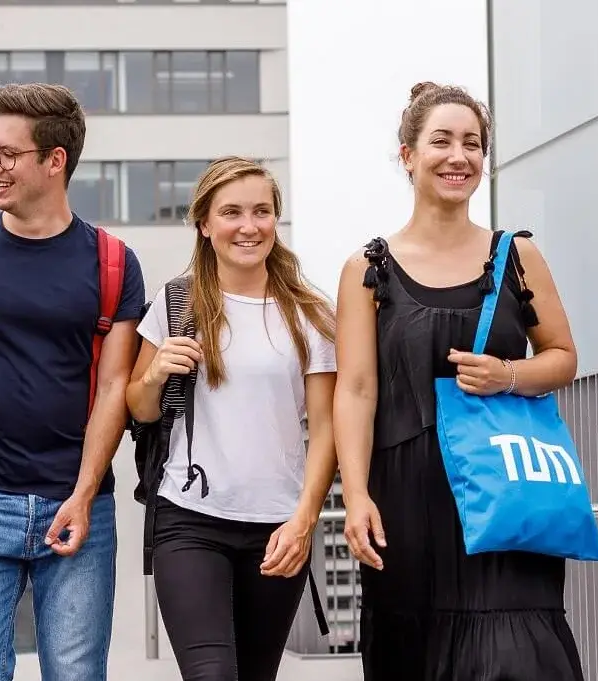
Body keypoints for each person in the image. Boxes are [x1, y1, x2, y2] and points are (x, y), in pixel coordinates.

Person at [331, 81, 586, 680]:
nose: (459, 157)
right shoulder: (367, 269)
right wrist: (358, 495)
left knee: (518, 657)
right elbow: (356, 390)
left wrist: (510, 374)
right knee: (411, 652)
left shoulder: (517, 254)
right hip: (406, 498)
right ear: (408, 155)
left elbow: (563, 356)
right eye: (441, 141)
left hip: (503, 496)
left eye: (473, 144)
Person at [0, 82, 146, 681]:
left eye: (7, 154)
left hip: (78, 505)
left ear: (54, 160)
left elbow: (115, 387)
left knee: (75, 674)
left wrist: (86, 494)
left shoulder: (113, 263)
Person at [126, 156, 338, 681]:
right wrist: (154, 376)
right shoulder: (176, 302)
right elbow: (138, 407)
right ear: (205, 223)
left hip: (277, 525)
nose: (249, 226)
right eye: (232, 212)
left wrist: (304, 520)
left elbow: (328, 426)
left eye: (262, 211)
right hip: (189, 519)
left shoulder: (310, 313)